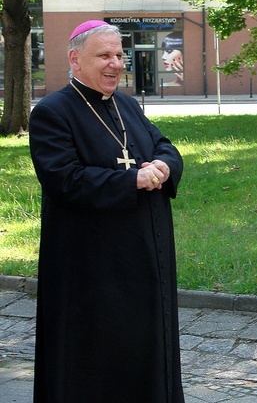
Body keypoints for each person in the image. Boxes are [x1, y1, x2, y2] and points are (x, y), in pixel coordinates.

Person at [29, 20, 185, 402]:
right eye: (104, 55)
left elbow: (162, 145)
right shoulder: (52, 112)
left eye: (119, 55)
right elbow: (65, 179)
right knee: (96, 357)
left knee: (144, 345)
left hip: (144, 260)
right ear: (75, 60)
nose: (115, 63)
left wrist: (164, 166)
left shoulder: (128, 104)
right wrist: (132, 179)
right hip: (90, 268)